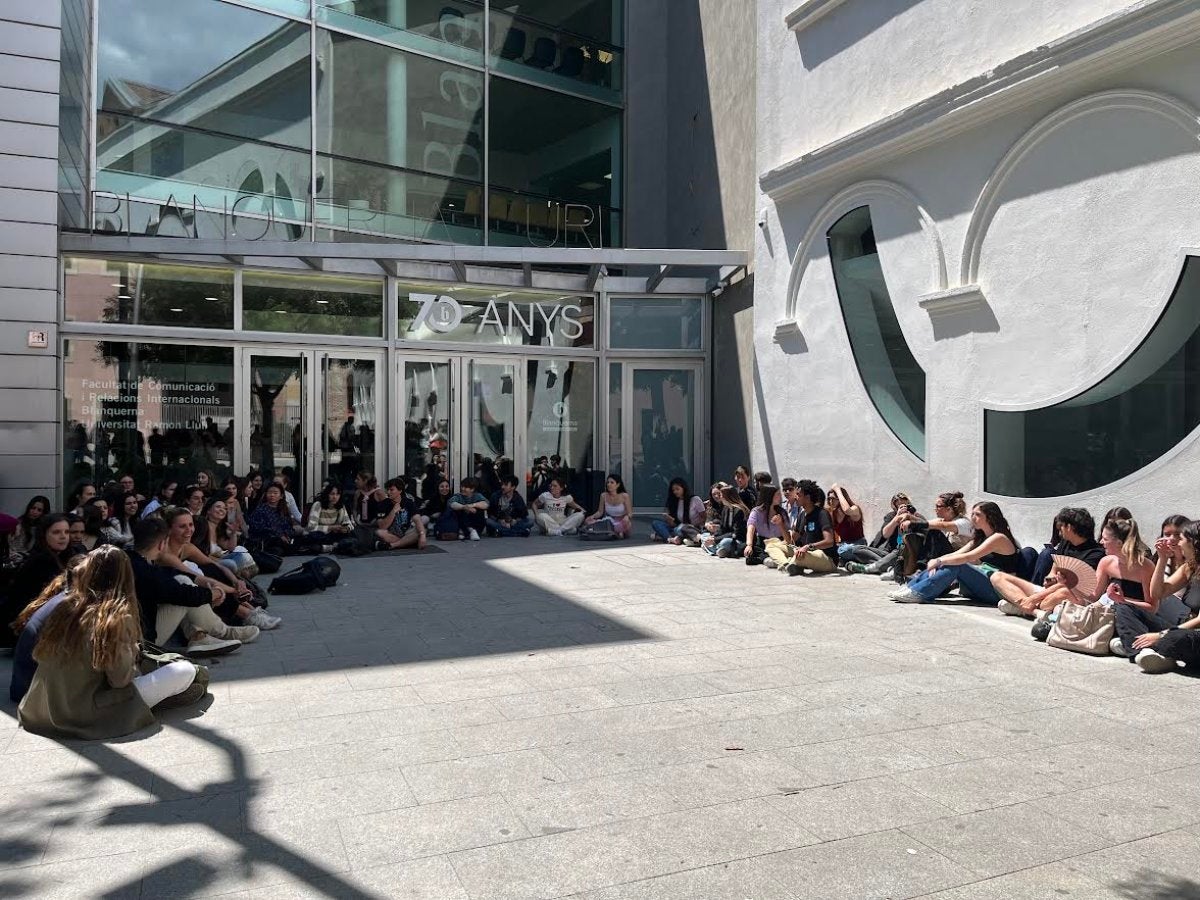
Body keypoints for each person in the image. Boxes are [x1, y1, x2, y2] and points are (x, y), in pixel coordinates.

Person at [17, 547, 208, 740]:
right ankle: (152, 702)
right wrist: (132, 651)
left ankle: (157, 696)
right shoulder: (115, 617)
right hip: (87, 713)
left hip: (41, 709)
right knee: (185, 671)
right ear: (126, 577)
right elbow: (120, 680)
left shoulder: (64, 605)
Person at [126, 517, 245, 657]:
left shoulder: (131, 560)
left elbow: (176, 575)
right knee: (184, 591)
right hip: (143, 640)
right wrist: (213, 594)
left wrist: (214, 592)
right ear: (161, 544)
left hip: (130, 631)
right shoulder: (146, 571)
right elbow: (182, 594)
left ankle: (204, 636)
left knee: (183, 581)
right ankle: (222, 632)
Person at [888, 502, 1020, 603]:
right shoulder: (980, 538)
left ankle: (918, 593)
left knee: (959, 564)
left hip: (1000, 592)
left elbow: (969, 557)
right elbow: (956, 554)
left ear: (990, 517)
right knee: (949, 561)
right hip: (982, 586)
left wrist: (940, 561)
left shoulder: (999, 538)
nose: (973, 518)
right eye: (972, 514)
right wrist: (937, 562)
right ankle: (911, 587)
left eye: (977, 515)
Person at [993, 507, 1103, 618]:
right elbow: (1054, 569)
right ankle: (1031, 610)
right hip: (1049, 591)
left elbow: (1073, 586)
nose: (1060, 532)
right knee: (997, 577)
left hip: (1068, 594)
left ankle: (1022, 606)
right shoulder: (1065, 543)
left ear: (1069, 527)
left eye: (1061, 527)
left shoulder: (1095, 553)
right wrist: (1049, 579)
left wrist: (1034, 598)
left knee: (1062, 593)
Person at [1128, 519, 1200, 673]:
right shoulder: (1190, 567)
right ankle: (1144, 650)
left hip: (1193, 632)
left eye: (1181, 539)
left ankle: (1148, 648)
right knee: (1125, 608)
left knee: (1177, 638)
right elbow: (1158, 593)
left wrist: (1161, 635)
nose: (1178, 544)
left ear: (1193, 543)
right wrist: (1162, 558)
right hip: (1183, 628)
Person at [1, 515, 77, 649]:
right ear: (44, 535)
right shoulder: (40, 562)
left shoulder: (67, 557)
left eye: (66, 532)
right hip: (33, 630)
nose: (63, 536)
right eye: (56, 532)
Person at [1093, 518, 1155, 656]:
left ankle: (1132, 646)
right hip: (1107, 612)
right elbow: (1093, 596)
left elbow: (1153, 608)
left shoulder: (1145, 567)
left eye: (1105, 539)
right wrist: (1070, 584)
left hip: (1133, 617)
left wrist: (1123, 601)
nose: (1101, 542)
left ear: (1119, 543)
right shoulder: (1106, 562)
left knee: (1121, 610)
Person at [845, 491, 911, 575]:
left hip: (900, 554)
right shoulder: (891, 516)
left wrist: (909, 518)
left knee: (901, 549)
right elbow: (885, 534)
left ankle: (870, 567)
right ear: (894, 507)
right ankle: (886, 566)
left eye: (904, 505)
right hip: (887, 554)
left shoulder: (914, 516)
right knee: (856, 549)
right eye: (899, 505)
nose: (902, 508)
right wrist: (896, 519)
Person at [786, 480, 839, 576]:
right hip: (808, 553)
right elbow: (792, 540)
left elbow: (829, 541)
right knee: (773, 544)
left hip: (826, 558)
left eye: (798, 495)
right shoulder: (802, 514)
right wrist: (780, 524)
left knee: (802, 555)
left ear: (807, 497)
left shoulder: (822, 514)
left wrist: (808, 547)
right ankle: (792, 563)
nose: (795, 497)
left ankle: (789, 563)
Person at [376, 478, 428, 550]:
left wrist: (422, 536)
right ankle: (407, 542)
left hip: (407, 532)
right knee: (379, 532)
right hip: (392, 534)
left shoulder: (408, 502)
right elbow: (382, 526)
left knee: (422, 531)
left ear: (400, 491)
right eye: (387, 489)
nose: (388, 492)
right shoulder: (383, 504)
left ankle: (393, 545)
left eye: (391, 490)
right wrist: (393, 511)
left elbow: (417, 519)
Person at [651, 478, 706, 544]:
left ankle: (665, 536)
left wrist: (695, 526)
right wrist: (670, 520)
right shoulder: (675, 501)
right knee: (656, 523)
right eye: (673, 490)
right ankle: (671, 538)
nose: (675, 492)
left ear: (683, 488)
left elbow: (704, 517)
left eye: (677, 489)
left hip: (691, 528)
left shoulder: (695, 499)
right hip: (678, 527)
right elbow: (675, 524)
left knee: (681, 528)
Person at [247, 483, 300, 550]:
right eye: (270, 493)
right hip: (267, 540)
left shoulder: (283, 510)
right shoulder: (260, 509)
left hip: (284, 538)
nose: (272, 495)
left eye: (275, 493)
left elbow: (288, 526)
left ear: (281, 496)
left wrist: (287, 535)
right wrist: (279, 535)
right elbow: (259, 527)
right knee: (277, 544)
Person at [702, 485, 749, 558]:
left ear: (727, 496)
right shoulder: (725, 509)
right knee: (705, 538)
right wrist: (713, 537)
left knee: (725, 542)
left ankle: (716, 549)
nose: (719, 497)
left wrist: (716, 539)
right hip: (726, 536)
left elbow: (736, 533)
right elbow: (722, 528)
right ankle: (720, 550)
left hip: (738, 539)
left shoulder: (739, 511)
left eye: (721, 495)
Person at [746, 484, 786, 565]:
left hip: (779, 542)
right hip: (763, 542)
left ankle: (771, 559)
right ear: (769, 496)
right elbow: (750, 529)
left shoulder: (782, 512)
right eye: (777, 494)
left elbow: (787, 531)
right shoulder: (756, 512)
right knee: (752, 553)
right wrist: (749, 545)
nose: (780, 497)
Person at [825, 484, 866, 564]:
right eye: (829, 499)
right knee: (834, 549)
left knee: (844, 550)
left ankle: (845, 558)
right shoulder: (833, 513)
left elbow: (847, 510)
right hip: (843, 544)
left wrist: (837, 490)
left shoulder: (855, 509)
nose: (830, 501)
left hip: (857, 544)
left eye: (833, 499)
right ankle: (848, 559)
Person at [584, 475, 633, 539]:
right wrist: (592, 516)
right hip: (608, 521)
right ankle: (613, 533)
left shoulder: (624, 496)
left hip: (621, 521)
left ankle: (610, 532)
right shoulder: (603, 495)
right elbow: (600, 512)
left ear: (618, 485)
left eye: (612, 483)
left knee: (627, 523)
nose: (609, 484)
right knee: (588, 521)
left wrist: (627, 517)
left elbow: (630, 513)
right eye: (608, 482)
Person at [305, 484, 352, 548]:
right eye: (332, 494)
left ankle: (329, 547)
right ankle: (331, 547)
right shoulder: (318, 505)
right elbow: (311, 527)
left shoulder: (341, 507)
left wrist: (346, 529)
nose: (335, 497)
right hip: (319, 535)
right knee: (315, 537)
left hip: (332, 535)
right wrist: (331, 527)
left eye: (337, 494)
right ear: (327, 494)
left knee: (349, 536)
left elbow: (349, 524)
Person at [11, 495, 50, 559]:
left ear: (44, 512)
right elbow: (15, 547)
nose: (34, 512)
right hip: (18, 557)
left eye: (39, 510)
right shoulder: (19, 523)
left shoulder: (45, 526)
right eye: (33, 508)